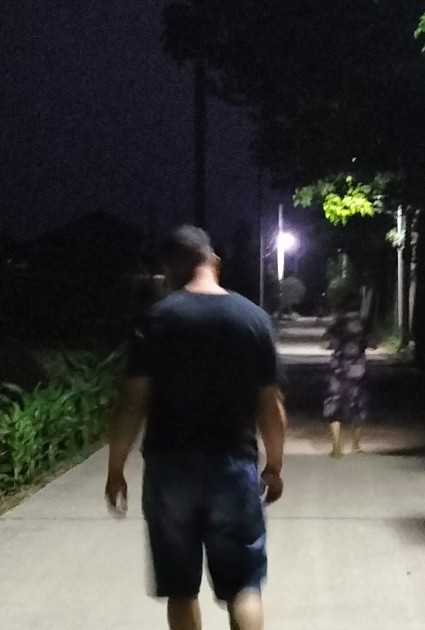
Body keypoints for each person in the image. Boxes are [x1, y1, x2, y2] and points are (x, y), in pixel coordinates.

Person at [105, 224, 287, 630]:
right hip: (232, 465)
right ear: (214, 262)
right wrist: (274, 465)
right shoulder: (253, 319)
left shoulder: (155, 320)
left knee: (181, 588)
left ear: (171, 268)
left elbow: (132, 403)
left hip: (169, 468)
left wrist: (116, 468)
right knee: (243, 585)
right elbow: (271, 406)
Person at [322, 306, 369, 458]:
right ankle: (356, 445)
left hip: (338, 369)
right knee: (358, 405)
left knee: (334, 405)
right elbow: (373, 344)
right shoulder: (363, 324)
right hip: (358, 370)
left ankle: (336, 447)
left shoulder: (338, 324)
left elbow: (325, 344)